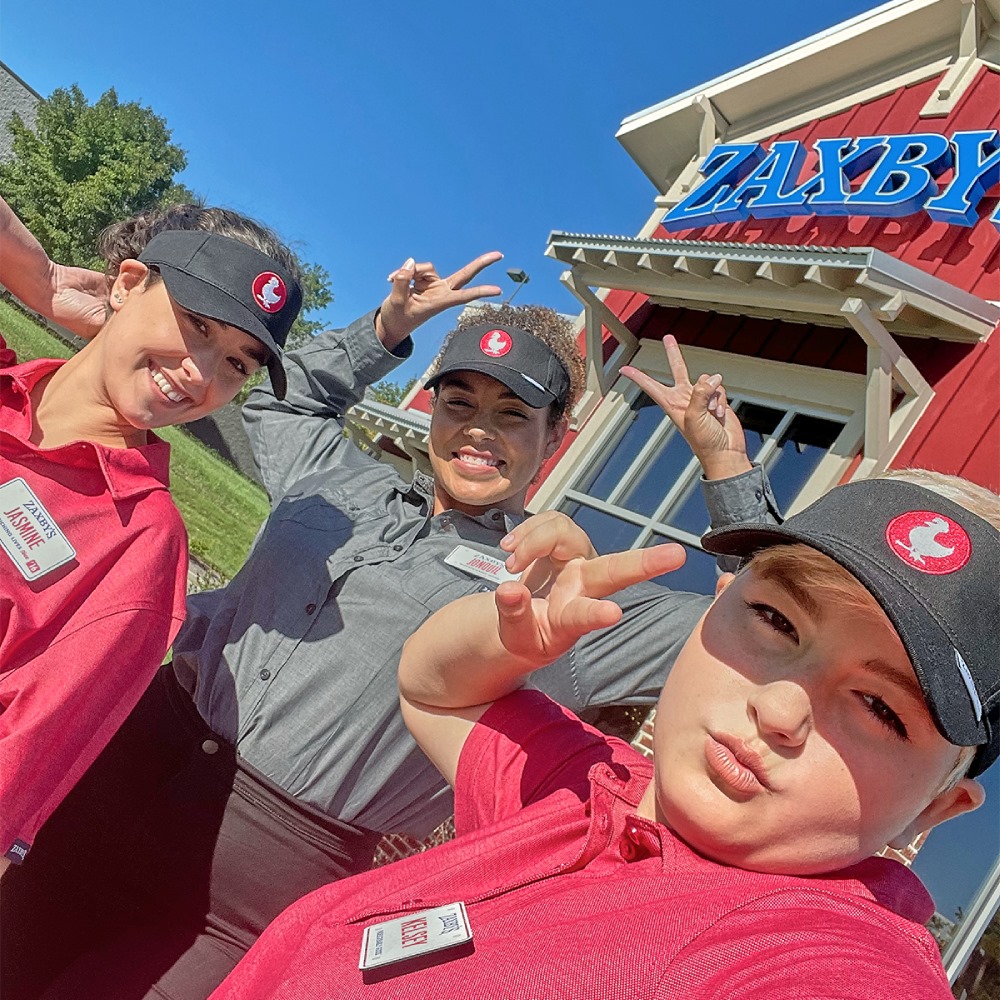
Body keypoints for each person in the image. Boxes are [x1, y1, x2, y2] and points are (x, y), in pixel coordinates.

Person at [0, 264, 773, 999]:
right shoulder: (344, 481)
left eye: (512, 414)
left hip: (247, 895)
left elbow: (756, 641)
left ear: (554, 436)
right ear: (432, 409)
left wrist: (727, 473)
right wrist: (386, 327)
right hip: (115, 773)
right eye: (459, 402)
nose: (479, 431)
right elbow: (288, 397)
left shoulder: (556, 592)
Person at [207, 469, 997, 999]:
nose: (781, 710)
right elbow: (433, 688)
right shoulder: (595, 790)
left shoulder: (817, 957)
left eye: (881, 707)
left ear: (938, 809)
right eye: (775, 619)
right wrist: (514, 635)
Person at [0, 198, 304, 879]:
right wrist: (42, 281)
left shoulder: (140, 540)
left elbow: (23, 759)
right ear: (131, 282)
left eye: (238, 363)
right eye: (197, 324)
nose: (202, 373)